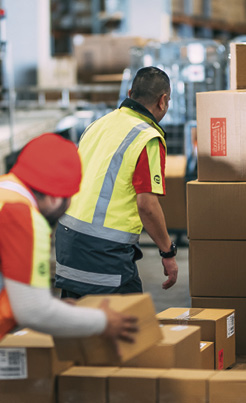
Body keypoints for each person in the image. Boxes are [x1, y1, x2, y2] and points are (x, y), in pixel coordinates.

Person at [0, 132, 138, 344]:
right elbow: (33, 311)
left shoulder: (5, 194)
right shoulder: (22, 216)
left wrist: (58, 309)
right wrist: (102, 321)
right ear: (55, 197)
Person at [55, 66, 178, 298]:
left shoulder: (98, 125)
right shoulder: (147, 137)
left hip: (67, 238)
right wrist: (167, 252)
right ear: (162, 101)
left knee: (77, 322)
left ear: (130, 93)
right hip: (103, 249)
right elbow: (147, 206)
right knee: (128, 324)